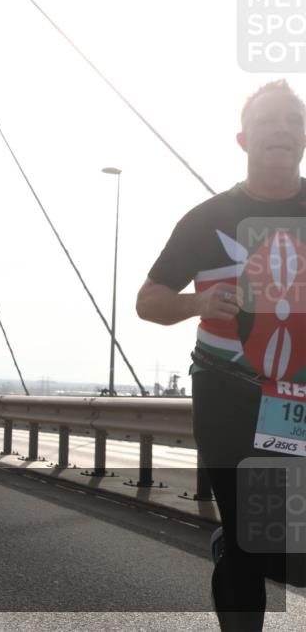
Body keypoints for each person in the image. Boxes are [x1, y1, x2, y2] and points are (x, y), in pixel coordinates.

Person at [136, 79, 306, 631]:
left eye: (291, 121)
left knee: (288, 547)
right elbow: (149, 301)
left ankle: (236, 551)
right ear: (242, 138)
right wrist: (199, 301)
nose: (280, 130)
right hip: (227, 390)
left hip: (298, 397)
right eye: (267, 122)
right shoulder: (205, 219)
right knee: (245, 534)